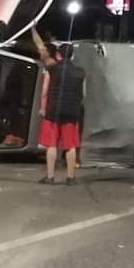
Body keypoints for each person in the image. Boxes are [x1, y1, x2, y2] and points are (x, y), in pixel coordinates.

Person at [33, 27, 85, 185]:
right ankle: (70, 178)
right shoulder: (80, 72)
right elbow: (83, 94)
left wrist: (33, 30)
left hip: (53, 111)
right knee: (70, 146)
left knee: (52, 145)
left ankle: (50, 176)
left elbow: (44, 92)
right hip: (71, 112)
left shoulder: (53, 68)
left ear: (58, 55)